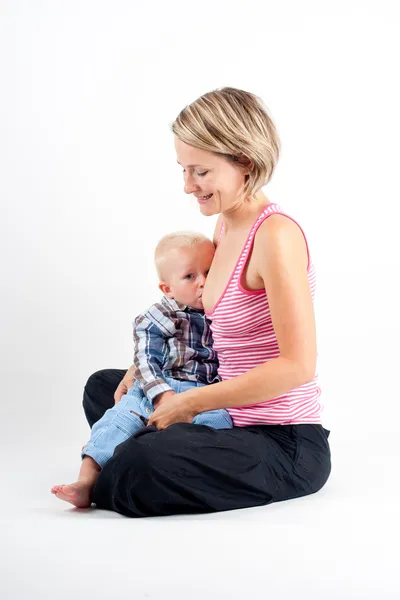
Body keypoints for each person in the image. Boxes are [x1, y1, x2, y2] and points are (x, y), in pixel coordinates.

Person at [82, 86, 331, 518]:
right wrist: (144, 367)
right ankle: (141, 448)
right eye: (183, 170)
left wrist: (192, 403)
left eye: (200, 172)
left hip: (281, 438)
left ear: (245, 163)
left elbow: (298, 365)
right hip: (224, 409)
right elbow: (202, 325)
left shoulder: (276, 237)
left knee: (139, 465)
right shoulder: (224, 225)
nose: (186, 186)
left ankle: (128, 458)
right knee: (104, 386)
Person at [51, 232, 233, 508]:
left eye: (209, 272)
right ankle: (85, 482)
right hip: (158, 389)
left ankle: (160, 459)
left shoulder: (222, 311)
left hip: (204, 395)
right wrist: (163, 397)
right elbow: (146, 363)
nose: (203, 282)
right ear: (167, 289)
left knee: (220, 423)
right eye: (190, 277)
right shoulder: (157, 317)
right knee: (118, 420)